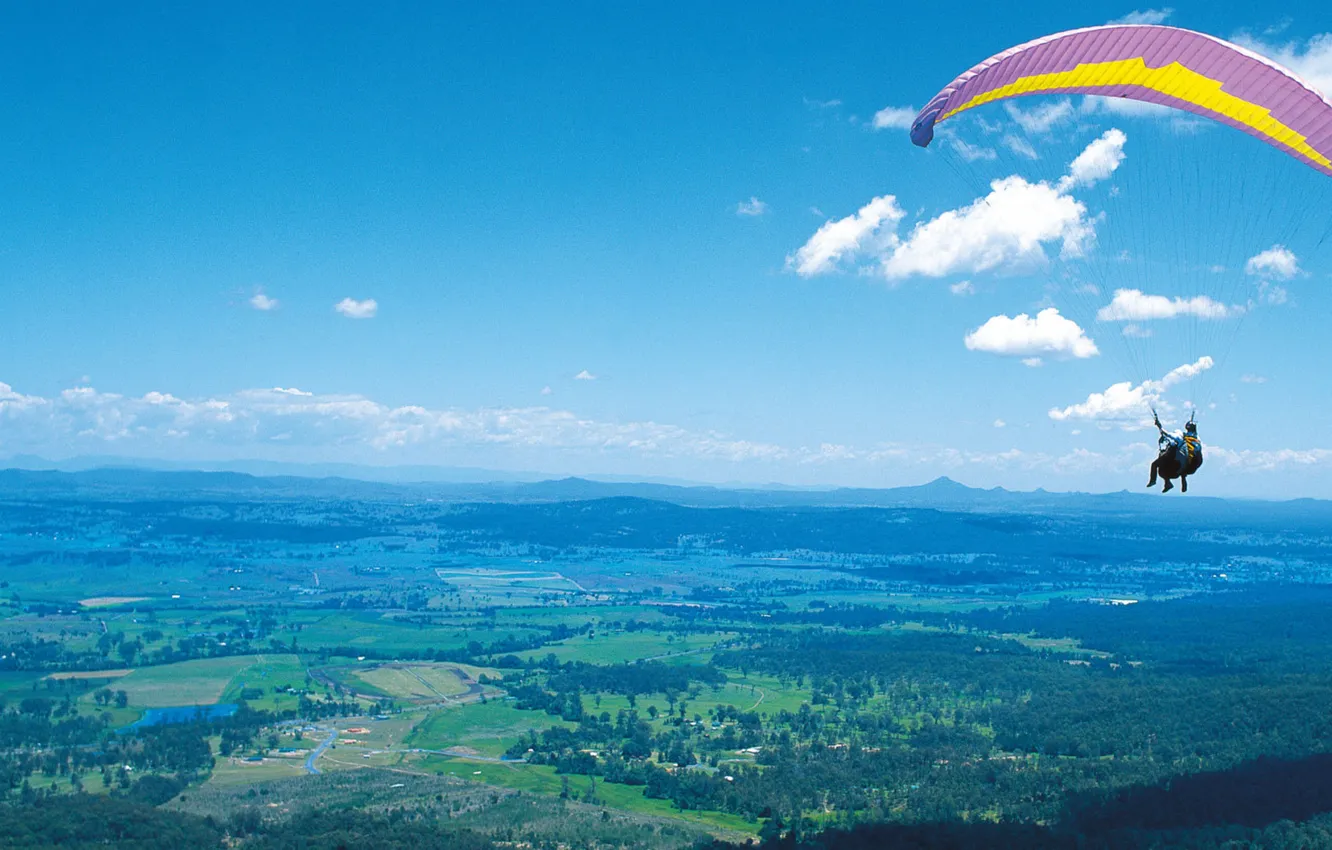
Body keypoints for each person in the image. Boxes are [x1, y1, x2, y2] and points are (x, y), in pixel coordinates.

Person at [1147, 414, 1203, 493]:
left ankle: (1153, 480)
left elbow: (1169, 435)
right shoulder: (1196, 440)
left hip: (1175, 470)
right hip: (1189, 468)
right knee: (1181, 458)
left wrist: (1160, 427)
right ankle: (1177, 480)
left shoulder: (1180, 439)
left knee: (1155, 464)